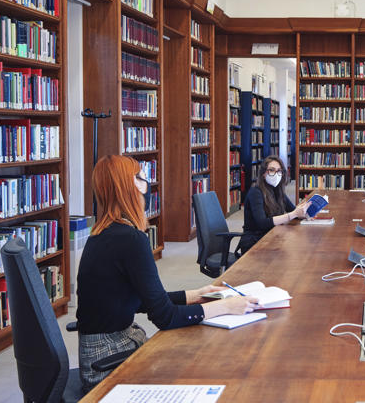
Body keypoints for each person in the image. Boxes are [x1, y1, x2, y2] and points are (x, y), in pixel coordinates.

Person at [76, 155, 258, 392]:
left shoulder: (105, 232)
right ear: (127, 187)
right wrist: (226, 307)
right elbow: (165, 317)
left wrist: (197, 294)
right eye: (140, 177)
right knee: (208, 366)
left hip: (102, 349)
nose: (146, 183)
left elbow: (140, 300)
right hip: (108, 361)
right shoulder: (131, 239)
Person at [240, 155, 310, 254]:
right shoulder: (256, 192)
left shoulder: (278, 190)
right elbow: (262, 223)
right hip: (254, 242)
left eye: (279, 171)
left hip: (272, 237)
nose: (276, 174)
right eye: (272, 170)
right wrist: (293, 214)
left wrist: (304, 212)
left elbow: (292, 209)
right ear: (263, 173)